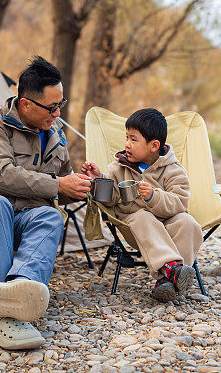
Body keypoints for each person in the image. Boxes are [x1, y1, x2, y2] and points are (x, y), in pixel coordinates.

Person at [0, 56, 91, 350]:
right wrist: (57, 185)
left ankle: (20, 287)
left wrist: (78, 183)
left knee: (51, 216)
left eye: (61, 104)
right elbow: (1, 177)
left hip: (22, 216)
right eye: (52, 107)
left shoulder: (55, 135)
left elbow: (61, 186)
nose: (57, 113)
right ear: (26, 104)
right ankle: (0, 315)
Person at [82, 108, 202, 302]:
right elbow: (109, 199)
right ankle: (172, 270)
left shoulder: (173, 169)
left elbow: (180, 202)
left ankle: (167, 283)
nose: (127, 144)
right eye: (127, 137)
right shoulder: (119, 167)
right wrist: (98, 180)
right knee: (142, 216)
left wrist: (154, 197)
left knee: (188, 223)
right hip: (136, 229)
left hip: (168, 225)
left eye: (133, 139)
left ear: (154, 146)